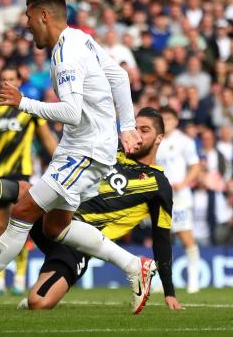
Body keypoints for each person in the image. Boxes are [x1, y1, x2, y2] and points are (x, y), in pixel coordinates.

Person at [0, 0, 153, 314]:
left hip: (87, 150)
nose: (26, 24)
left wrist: (22, 102)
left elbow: (71, 111)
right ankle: (133, 266)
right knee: (56, 226)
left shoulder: (68, 53)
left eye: (28, 16)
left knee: (23, 210)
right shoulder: (79, 39)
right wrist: (125, 125)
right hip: (80, 146)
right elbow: (120, 76)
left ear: (43, 15)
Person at [18, 108, 181, 311]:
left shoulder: (159, 185)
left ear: (159, 138)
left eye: (144, 130)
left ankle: (37, 290)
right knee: (23, 189)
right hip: (54, 217)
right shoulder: (110, 150)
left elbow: (162, 238)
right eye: (133, 128)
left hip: (78, 244)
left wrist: (169, 292)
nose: (136, 135)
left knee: (37, 303)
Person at [0, 66, 58, 295]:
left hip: (20, 176)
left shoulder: (29, 109)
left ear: (19, 82)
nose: (7, 83)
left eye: (11, 79)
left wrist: (62, 159)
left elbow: (47, 140)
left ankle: (20, 278)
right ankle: (0, 280)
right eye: (4, 79)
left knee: (19, 227)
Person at [156, 106, 202, 294]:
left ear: (176, 121)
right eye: (163, 119)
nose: (166, 122)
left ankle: (193, 280)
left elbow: (196, 167)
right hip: (159, 197)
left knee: (185, 237)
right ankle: (162, 281)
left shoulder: (185, 142)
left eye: (169, 119)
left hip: (180, 198)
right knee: (162, 239)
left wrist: (184, 183)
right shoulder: (155, 141)